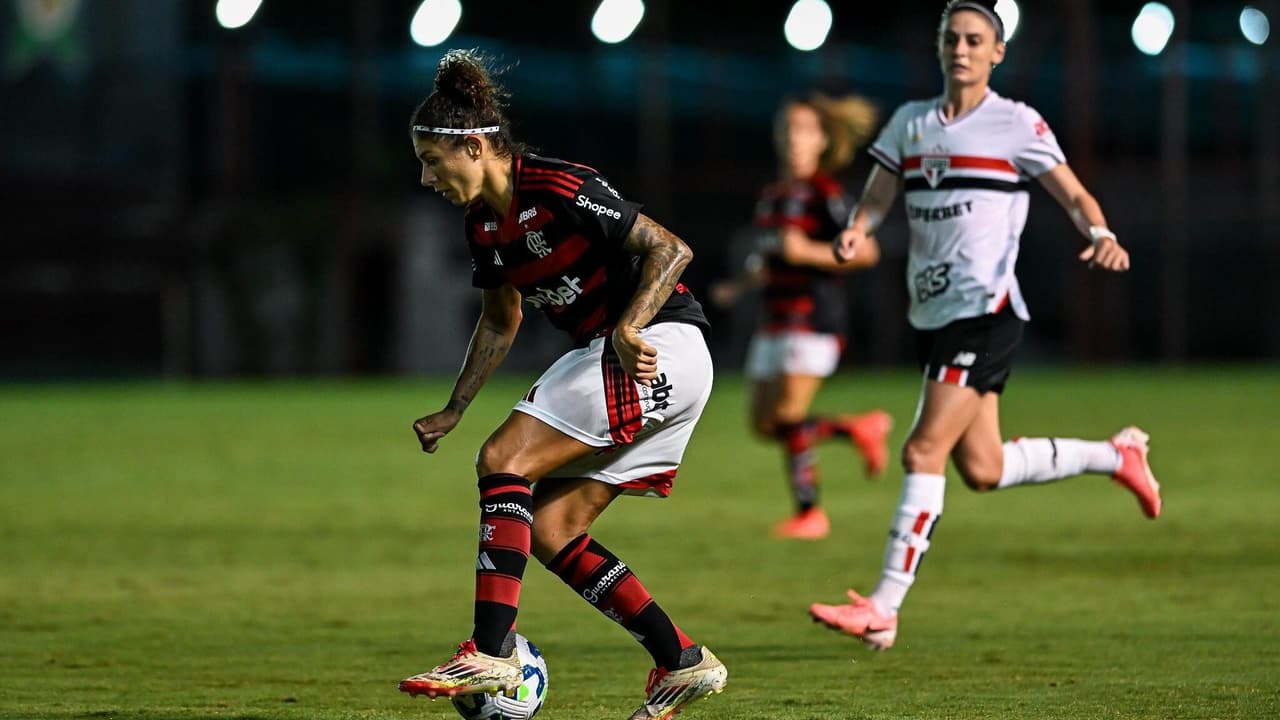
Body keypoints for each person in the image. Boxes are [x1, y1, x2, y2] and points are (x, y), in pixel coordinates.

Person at [808, 0, 1162, 650]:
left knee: (921, 451)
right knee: (984, 467)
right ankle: (1118, 456)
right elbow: (881, 190)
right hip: (935, 314)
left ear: (996, 53)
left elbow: (1074, 194)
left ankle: (884, 607)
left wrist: (1101, 232)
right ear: (941, 48)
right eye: (953, 38)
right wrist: (859, 229)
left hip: (986, 311)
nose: (962, 49)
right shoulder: (912, 122)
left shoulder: (1016, 123)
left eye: (975, 40)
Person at [396, 50, 726, 719]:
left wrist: (632, 325)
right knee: (550, 529)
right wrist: (456, 406)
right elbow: (499, 319)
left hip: (658, 347)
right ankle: (682, 661)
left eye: (434, 161)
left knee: (502, 460)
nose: (427, 177)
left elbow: (671, 247)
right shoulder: (484, 225)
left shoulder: (556, 185)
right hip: (653, 363)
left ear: (477, 145)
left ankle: (492, 653)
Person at [711, 94, 892, 540]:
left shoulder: (824, 194)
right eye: (788, 130)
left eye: (805, 131)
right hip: (774, 319)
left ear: (822, 140)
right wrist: (742, 285)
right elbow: (775, 256)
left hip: (813, 319)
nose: (794, 139)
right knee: (764, 424)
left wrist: (809, 251)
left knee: (790, 415)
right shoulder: (774, 196)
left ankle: (811, 513)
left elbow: (867, 250)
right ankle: (855, 428)